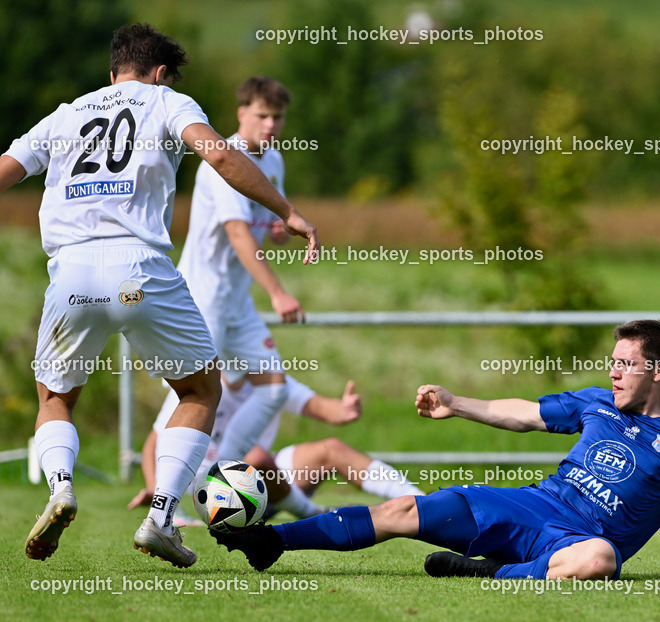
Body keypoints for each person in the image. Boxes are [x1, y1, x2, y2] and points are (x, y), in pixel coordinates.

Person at [2, 23, 319, 567]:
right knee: (200, 391)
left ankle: (59, 489)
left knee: (55, 399)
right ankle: (161, 518)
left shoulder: (65, 113)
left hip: (71, 273)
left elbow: (6, 171)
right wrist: (287, 211)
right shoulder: (167, 101)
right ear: (159, 73)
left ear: (112, 71)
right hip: (139, 270)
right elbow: (219, 157)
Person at [210, 320, 660, 584]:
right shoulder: (596, 403)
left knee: (599, 562)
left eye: (627, 363)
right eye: (614, 360)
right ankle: (270, 540)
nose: (615, 371)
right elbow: (523, 413)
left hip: (577, 541)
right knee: (403, 512)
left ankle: (492, 574)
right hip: (532, 506)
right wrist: (456, 403)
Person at [165, 75, 304, 466]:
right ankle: (163, 499)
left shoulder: (274, 160)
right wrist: (278, 293)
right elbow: (239, 235)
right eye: (262, 115)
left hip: (235, 301)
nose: (271, 125)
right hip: (201, 297)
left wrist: (278, 229)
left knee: (273, 389)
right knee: (188, 397)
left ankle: (217, 476)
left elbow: (261, 223)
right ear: (242, 113)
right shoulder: (223, 161)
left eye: (278, 117)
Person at [128, 375, 424, 522]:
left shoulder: (272, 380)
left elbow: (325, 409)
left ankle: (423, 503)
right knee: (256, 456)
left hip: (265, 480)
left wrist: (343, 409)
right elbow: (154, 441)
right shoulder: (201, 382)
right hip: (208, 490)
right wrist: (160, 495)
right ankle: (312, 514)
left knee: (330, 449)